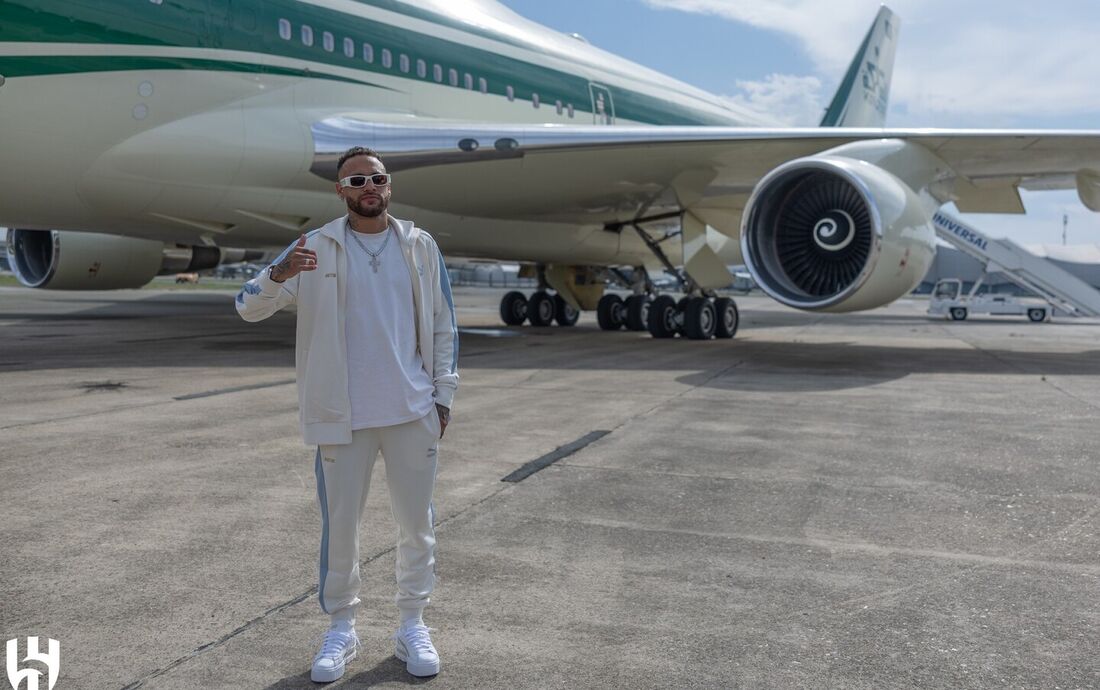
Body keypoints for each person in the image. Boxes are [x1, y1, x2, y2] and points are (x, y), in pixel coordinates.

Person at [235, 146, 458, 682]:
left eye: (376, 178)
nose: (368, 186)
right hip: (342, 418)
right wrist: (277, 272)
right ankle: (341, 628)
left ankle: (411, 625)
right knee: (341, 530)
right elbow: (248, 307)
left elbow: (443, 326)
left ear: (389, 185)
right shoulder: (315, 247)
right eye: (356, 179)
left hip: (410, 413)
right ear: (340, 191)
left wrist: (443, 396)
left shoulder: (419, 245)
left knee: (417, 527)